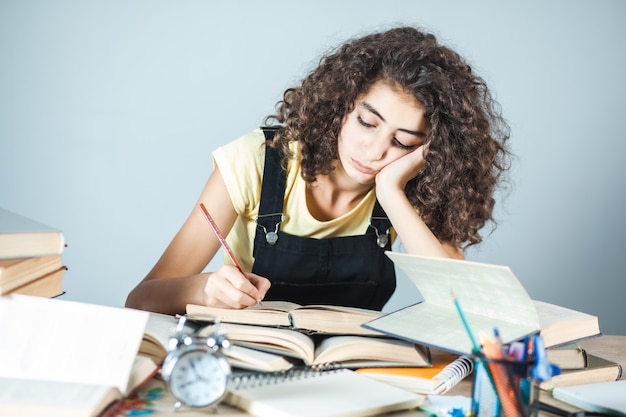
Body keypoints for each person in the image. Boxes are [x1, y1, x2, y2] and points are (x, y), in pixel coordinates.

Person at [126, 26, 511, 315]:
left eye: (404, 142)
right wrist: (204, 289)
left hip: (355, 376)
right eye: (367, 122)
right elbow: (140, 300)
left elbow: (463, 309)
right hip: (251, 363)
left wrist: (392, 192)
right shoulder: (255, 161)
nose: (375, 151)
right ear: (342, 105)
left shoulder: (409, 187)